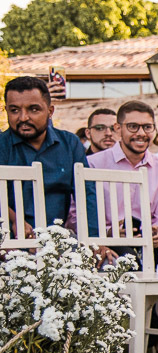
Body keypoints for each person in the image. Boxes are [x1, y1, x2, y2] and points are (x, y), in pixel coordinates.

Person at [86, 99, 158, 353]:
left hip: (148, 241)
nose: (141, 133)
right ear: (118, 129)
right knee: (127, 257)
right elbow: (77, 212)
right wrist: (100, 236)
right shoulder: (94, 164)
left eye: (147, 127)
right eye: (133, 126)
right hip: (109, 240)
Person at [1, 76, 97, 238]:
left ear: (50, 111)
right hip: (8, 241)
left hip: (57, 240)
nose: (23, 117)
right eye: (14, 110)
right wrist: (15, 220)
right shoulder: (2, 145)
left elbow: (86, 194)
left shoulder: (69, 143)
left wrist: (94, 241)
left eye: (33, 109)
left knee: (111, 262)